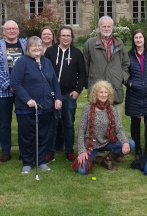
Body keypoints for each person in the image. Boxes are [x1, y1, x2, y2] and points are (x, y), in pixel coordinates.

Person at [10, 37, 62, 174]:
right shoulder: (22, 62)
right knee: (27, 136)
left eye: (39, 45)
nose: (37, 48)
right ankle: (27, 162)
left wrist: (58, 98)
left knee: (43, 135)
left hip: (46, 107)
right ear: (28, 48)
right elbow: (15, 83)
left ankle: (41, 161)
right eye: (33, 46)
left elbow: (54, 82)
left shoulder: (47, 62)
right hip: (26, 108)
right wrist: (27, 99)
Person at [44, 26, 87, 162]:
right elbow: (43, 71)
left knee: (68, 124)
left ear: (72, 37)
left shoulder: (76, 53)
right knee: (52, 124)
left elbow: (82, 72)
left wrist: (78, 90)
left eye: (68, 35)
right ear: (58, 37)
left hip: (69, 94)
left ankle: (69, 151)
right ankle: (50, 152)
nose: (65, 38)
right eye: (63, 35)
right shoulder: (50, 51)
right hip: (52, 94)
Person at [0, 20, 27, 163]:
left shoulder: (25, 44)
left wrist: (20, 86)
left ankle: (24, 150)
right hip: (3, 91)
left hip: (23, 90)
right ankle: (6, 151)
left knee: (23, 122)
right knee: (5, 123)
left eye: (14, 29)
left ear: (18, 30)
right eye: (8, 29)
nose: (12, 31)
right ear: (4, 31)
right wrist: (10, 85)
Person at [75, 81, 131, 174]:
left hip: (106, 142)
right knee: (82, 171)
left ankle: (107, 159)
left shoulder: (112, 110)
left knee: (130, 144)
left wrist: (125, 142)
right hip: (91, 144)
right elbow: (81, 131)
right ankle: (91, 158)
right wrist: (81, 151)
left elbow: (119, 129)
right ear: (95, 94)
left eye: (106, 92)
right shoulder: (87, 108)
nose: (104, 95)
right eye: (101, 92)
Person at [125, 29, 147, 162]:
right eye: (136, 38)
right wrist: (129, 83)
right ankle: (138, 149)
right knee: (135, 123)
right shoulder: (129, 56)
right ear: (133, 40)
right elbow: (124, 72)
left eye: (140, 37)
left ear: (144, 39)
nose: (138, 40)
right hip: (134, 94)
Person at [83, 16, 130, 114]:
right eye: (104, 26)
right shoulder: (90, 44)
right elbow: (85, 65)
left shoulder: (119, 43)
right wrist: (88, 83)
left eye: (108, 26)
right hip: (96, 89)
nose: (106, 29)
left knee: (116, 121)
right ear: (99, 27)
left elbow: (126, 63)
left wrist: (122, 77)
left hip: (115, 88)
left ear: (112, 27)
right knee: (96, 121)